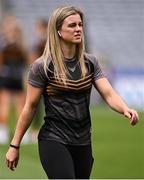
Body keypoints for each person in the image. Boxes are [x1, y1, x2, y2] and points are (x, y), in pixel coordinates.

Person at [5, 6, 139, 179]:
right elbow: (30, 107)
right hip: (54, 139)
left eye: (80, 25)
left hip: (83, 141)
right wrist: (14, 145)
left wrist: (125, 108)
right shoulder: (42, 66)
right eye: (72, 25)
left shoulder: (90, 62)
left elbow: (109, 93)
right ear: (59, 31)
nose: (78, 29)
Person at [0, 16, 28, 144]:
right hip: (8, 77)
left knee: (20, 107)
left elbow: (25, 60)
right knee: (5, 106)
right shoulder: (6, 43)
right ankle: (4, 132)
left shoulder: (19, 43)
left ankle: (22, 134)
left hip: (14, 77)